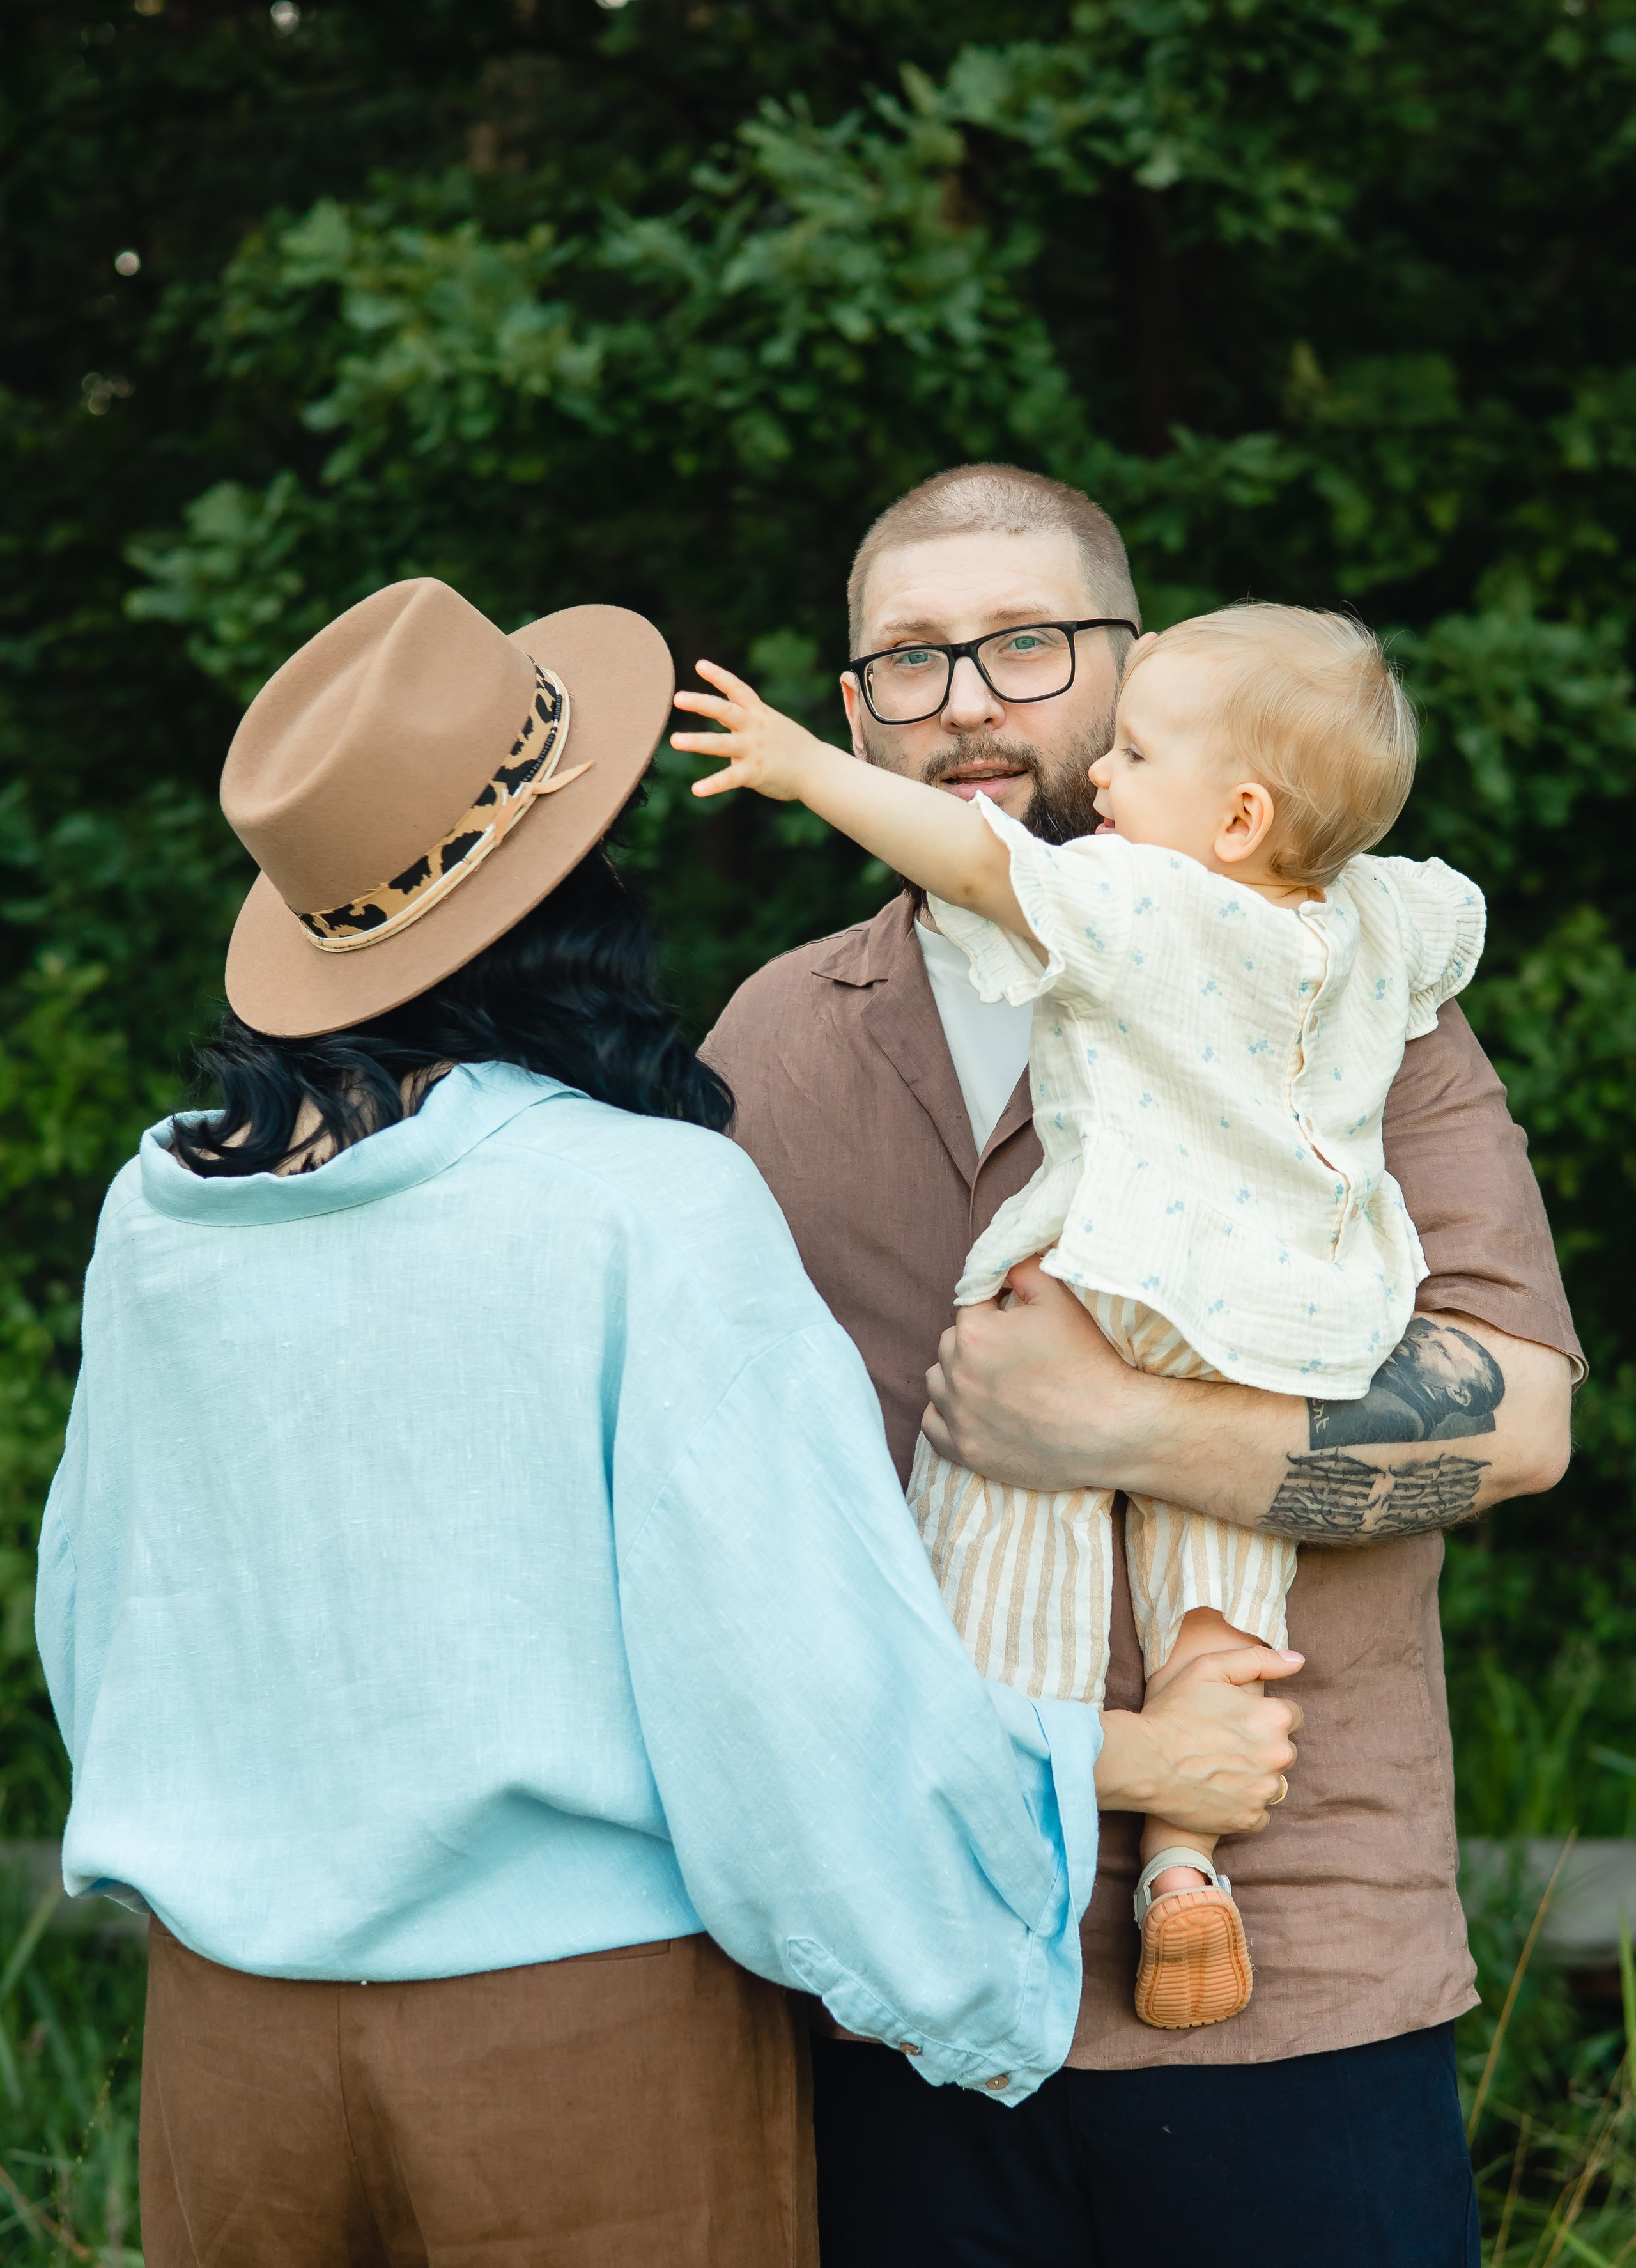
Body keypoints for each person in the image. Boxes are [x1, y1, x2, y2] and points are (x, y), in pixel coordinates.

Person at [35, 577, 1302, 2267]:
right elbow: (791, 1684)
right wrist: (1113, 1764)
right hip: (573, 2048)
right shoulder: (646, 1203)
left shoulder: (163, 1212)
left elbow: (96, 1623)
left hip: (227, 2051)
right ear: (577, 883)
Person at [699, 465, 1580, 2268]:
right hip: (902, 1975)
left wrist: (1116, 1425)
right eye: (910, 660)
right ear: (853, 714)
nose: (965, 703)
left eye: (1024, 644)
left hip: (1299, 1969)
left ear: (1134, 665)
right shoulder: (773, 1042)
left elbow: (1518, 1419)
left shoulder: (1345, 994)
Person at [673, 598, 1486, 2038]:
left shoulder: (1150, 902)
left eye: (1135, 752)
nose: (1104, 775)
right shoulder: (1375, 919)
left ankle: (1006, 1868)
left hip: (1120, 1287)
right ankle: (1185, 1863)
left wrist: (804, 768)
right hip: (1290, 1330)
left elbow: (977, 861)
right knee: (1223, 1602)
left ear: (1237, 816)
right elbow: (1446, 914)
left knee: (1005, 1548)